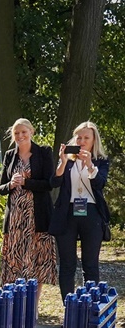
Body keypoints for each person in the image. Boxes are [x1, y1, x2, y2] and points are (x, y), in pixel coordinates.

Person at [50, 121, 111, 300]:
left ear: (94, 140)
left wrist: (90, 165)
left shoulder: (101, 160)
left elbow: (100, 184)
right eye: (79, 137)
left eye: (86, 138)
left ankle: (90, 307)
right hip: (68, 213)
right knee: (68, 264)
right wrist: (62, 162)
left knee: (90, 264)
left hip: (91, 213)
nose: (82, 141)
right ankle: (69, 307)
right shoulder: (68, 160)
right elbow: (54, 182)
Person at [0, 119, 56, 286]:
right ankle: (15, 306)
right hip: (15, 219)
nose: (20, 136)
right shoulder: (10, 155)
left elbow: (49, 184)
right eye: (16, 133)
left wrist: (26, 183)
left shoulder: (44, 152)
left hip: (37, 218)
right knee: (15, 265)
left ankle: (33, 308)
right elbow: (0, 188)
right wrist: (11, 184)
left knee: (38, 265)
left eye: (23, 132)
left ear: (31, 131)